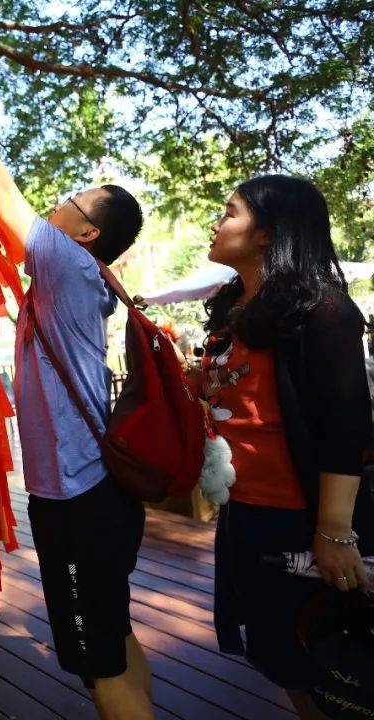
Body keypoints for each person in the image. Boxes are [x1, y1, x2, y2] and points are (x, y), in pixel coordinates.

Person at [0, 86, 153, 719]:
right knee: (114, 638)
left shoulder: (68, 264)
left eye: (73, 200)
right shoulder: (77, 278)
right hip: (94, 495)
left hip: (82, 500)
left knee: (98, 664)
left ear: (88, 231)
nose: (57, 201)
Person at [201, 175, 373, 719]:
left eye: (228, 213)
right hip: (244, 517)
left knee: (334, 669)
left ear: (266, 235)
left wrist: (334, 533)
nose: (214, 222)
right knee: (285, 658)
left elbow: (345, 431)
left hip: (302, 520)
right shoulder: (234, 310)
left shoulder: (323, 312)